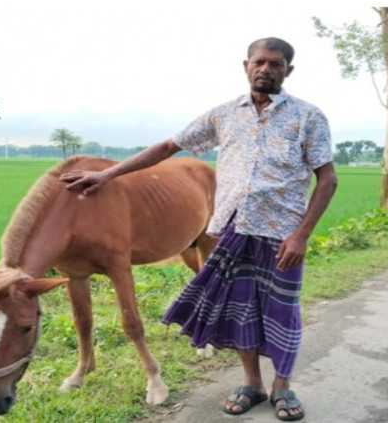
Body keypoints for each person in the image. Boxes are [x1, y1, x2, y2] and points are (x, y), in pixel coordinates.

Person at [60, 37, 337, 421]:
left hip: (281, 234)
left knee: (282, 310)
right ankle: (252, 384)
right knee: (241, 308)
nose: (266, 69)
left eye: (275, 64)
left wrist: (301, 235)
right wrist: (108, 173)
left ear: (288, 70)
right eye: (259, 62)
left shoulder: (308, 117)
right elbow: (167, 147)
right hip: (232, 227)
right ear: (246, 66)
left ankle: (282, 387)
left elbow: (328, 180)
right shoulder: (224, 115)